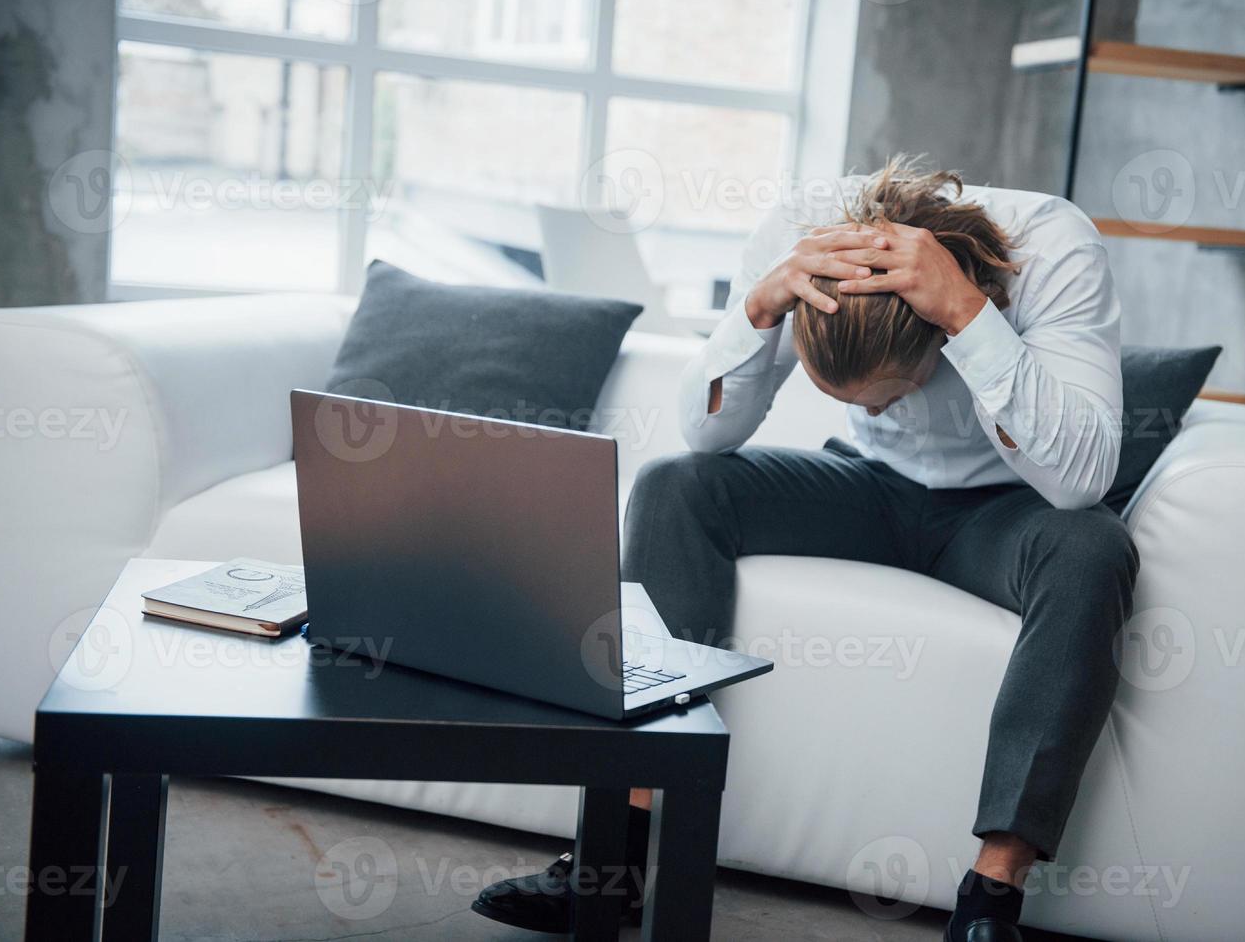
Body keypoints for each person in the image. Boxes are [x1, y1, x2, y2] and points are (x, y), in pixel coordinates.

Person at [472, 158, 1139, 941]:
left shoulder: (1053, 247)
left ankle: (991, 900)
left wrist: (965, 314)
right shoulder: (802, 228)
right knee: (676, 485)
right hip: (869, 487)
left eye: (890, 397)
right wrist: (757, 308)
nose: (882, 409)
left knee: (1094, 549)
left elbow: (1079, 481)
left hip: (1005, 509)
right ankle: (615, 857)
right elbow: (708, 434)